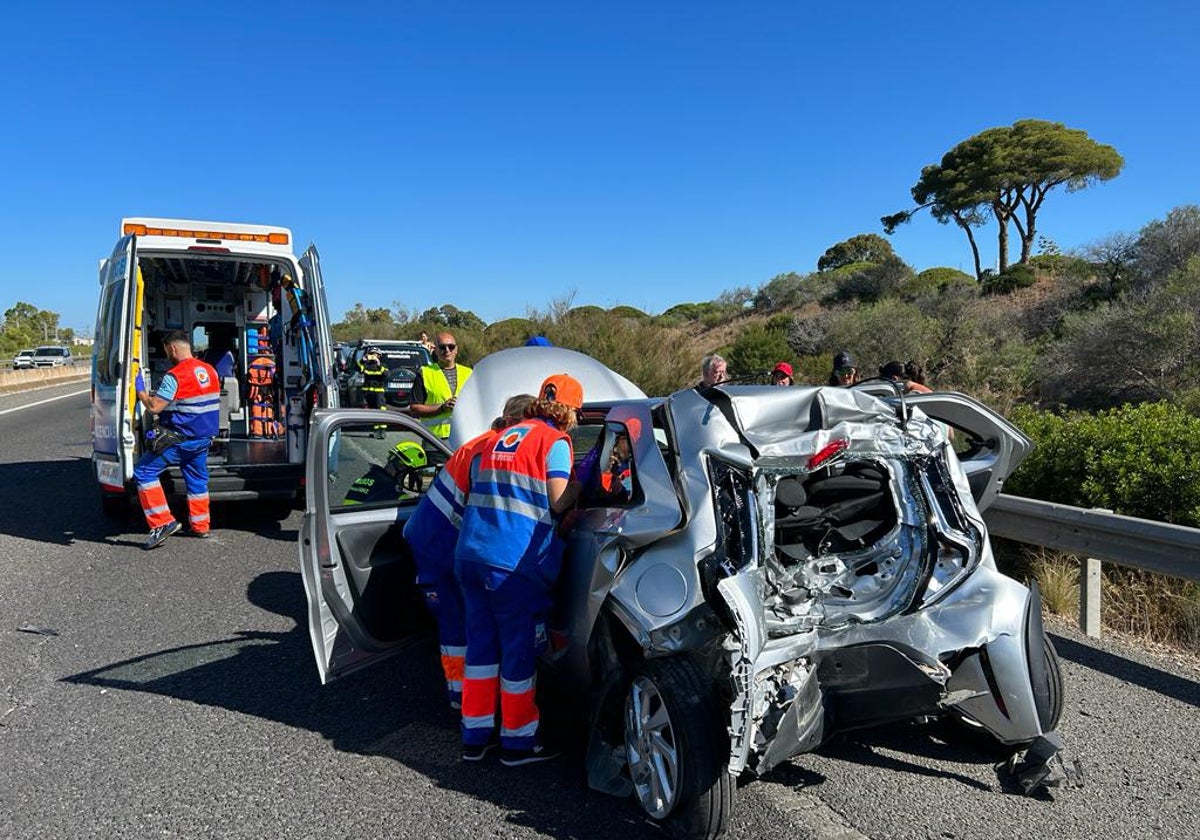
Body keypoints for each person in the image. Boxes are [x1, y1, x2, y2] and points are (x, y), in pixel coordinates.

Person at [455, 374, 585, 766]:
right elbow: (559, 501)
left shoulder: (499, 436)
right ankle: (518, 743)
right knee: (517, 652)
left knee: (479, 648)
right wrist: (583, 489)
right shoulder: (555, 442)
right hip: (511, 564)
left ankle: (474, 738)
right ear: (568, 410)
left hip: (470, 555)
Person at [402, 393, 536, 710]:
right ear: (518, 423)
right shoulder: (491, 449)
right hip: (438, 542)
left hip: (444, 536)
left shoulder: (490, 442)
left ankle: (468, 696)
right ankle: (460, 696)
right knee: (455, 623)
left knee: (462, 620)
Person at [133, 331, 221, 549]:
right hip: (202, 440)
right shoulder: (210, 370)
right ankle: (201, 526)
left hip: (180, 440)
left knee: (143, 472)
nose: (167, 356)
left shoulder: (175, 375)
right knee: (197, 480)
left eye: (166, 351)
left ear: (172, 349)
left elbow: (155, 407)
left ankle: (162, 523)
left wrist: (141, 391)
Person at [409, 332, 473, 439]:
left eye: (451, 347)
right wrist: (442, 408)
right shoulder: (425, 373)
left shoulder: (469, 373)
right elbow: (414, 409)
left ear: (456, 350)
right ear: (436, 350)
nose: (447, 350)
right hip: (435, 441)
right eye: (442, 347)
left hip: (464, 438)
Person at [342, 440, 427, 506]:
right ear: (402, 467)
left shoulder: (371, 476)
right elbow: (410, 510)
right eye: (412, 473)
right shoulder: (392, 492)